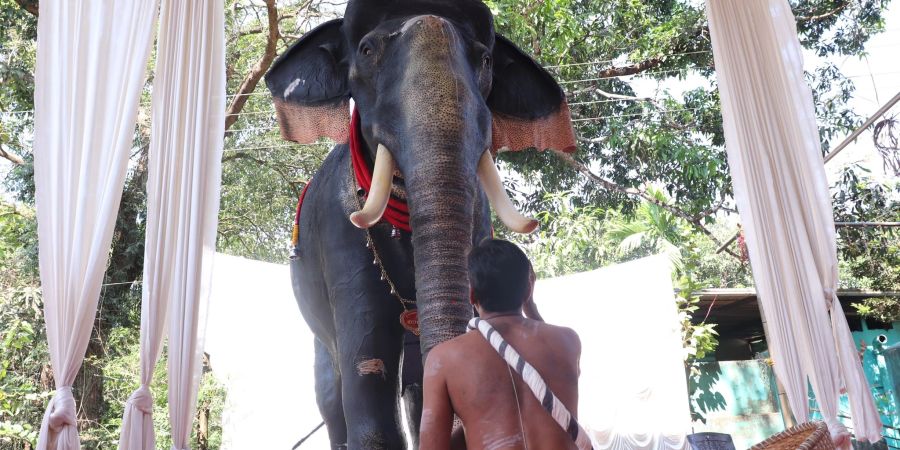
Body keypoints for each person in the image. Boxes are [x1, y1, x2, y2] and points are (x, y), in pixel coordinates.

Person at [420, 239, 583, 450]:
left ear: (471, 294)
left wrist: (475, 419)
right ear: (528, 289)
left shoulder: (442, 359)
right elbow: (544, 385)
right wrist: (530, 305)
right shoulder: (568, 341)